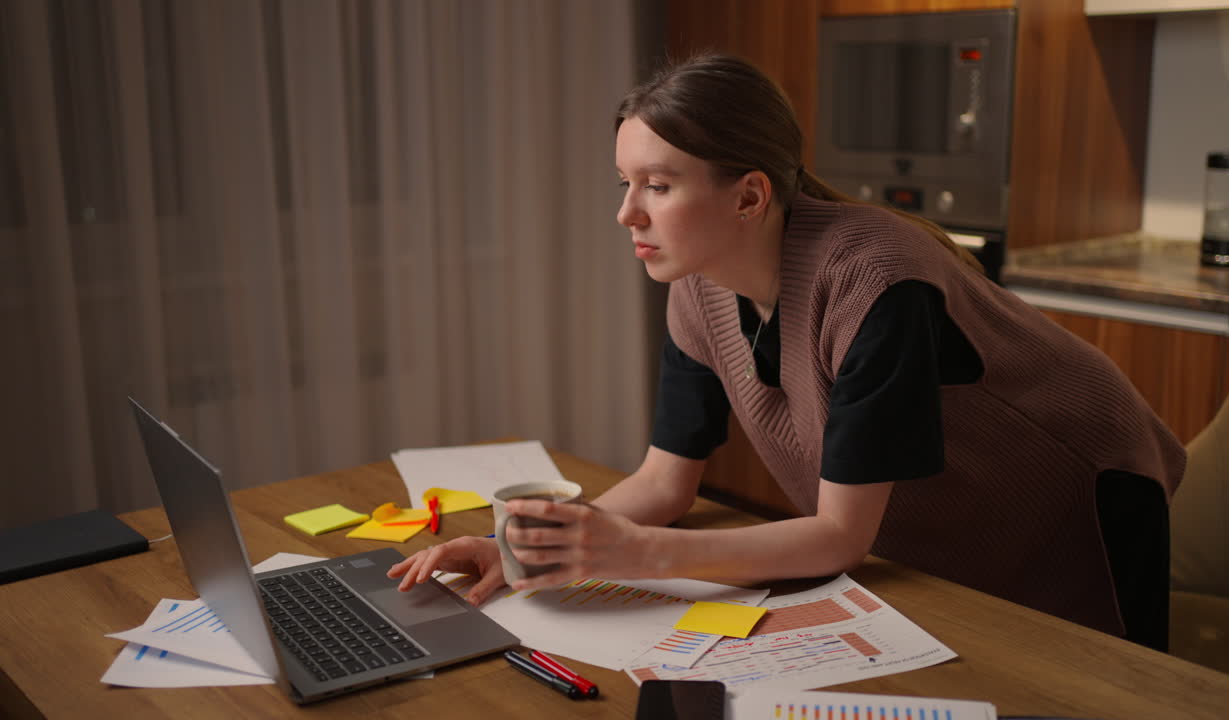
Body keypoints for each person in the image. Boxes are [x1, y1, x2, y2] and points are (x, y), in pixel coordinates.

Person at [389, 53, 1184, 651]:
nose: (627, 213)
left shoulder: (876, 279)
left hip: (1082, 485)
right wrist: (519, 551)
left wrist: (629, 552)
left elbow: (840, 536)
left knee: (1106, 690)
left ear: (749, 195)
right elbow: (665, 481)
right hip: (940, 516)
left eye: (658, 186)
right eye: (624, 183)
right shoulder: (695, 287)